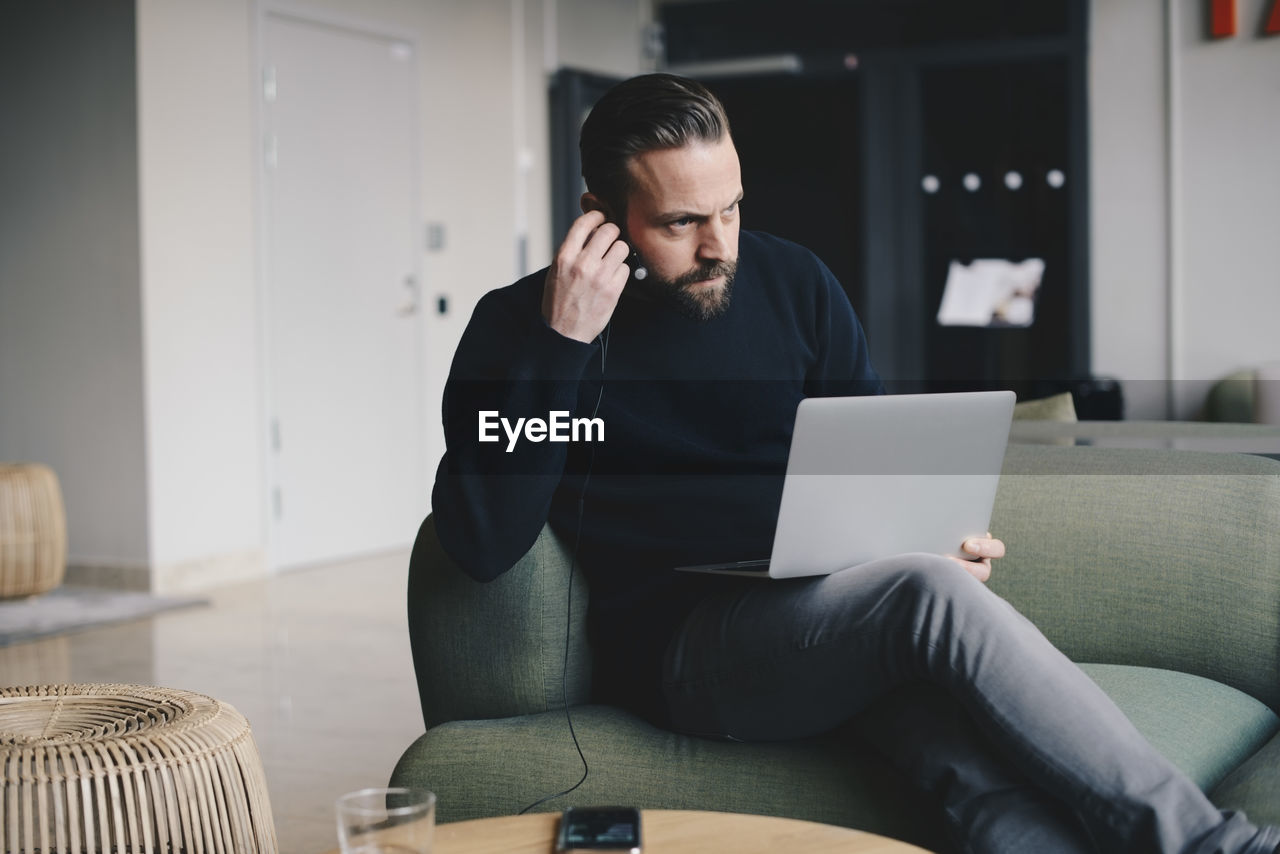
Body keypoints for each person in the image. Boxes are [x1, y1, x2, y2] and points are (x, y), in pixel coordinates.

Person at [431, 73, 1279, 854]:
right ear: (601, 215)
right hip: (686, 646)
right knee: (924, 596)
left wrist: (931, 532)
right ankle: (1213, 845)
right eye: (681, 223)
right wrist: (562, 348)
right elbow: (484, 540)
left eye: (730, 207)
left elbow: (881, 457)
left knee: (969, 772)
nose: (720, 244)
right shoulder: (522, 329)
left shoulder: (794, 281)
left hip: (832, 611)